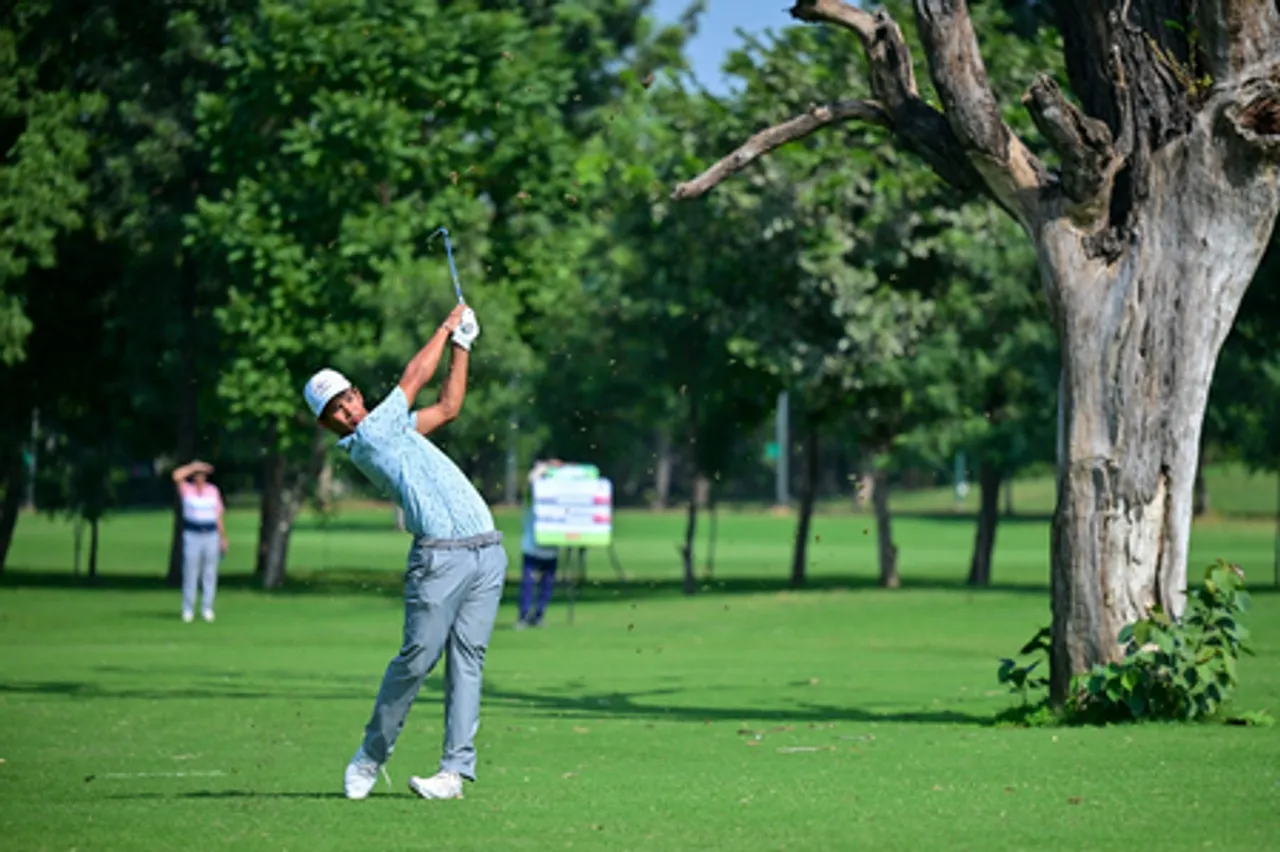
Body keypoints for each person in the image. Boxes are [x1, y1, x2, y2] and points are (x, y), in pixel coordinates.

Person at [303, 304, 505, 802]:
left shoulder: (396, 429)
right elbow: (414, 377)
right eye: (337, 410)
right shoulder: (368, 439)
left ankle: (453, 773)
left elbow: (450, 406)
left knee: (468, 662)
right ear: (331, 425)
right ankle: (371, 755)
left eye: (348, 398)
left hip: (486, 550)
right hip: (439, 559)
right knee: (416, 660)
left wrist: (463, 346)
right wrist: (446, 324)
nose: (349, 410)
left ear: (357, 392)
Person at [171, 460, 227, 623]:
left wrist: (223, 537)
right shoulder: (187, 490)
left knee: (209, 572)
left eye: (202, 476)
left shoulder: (212, 491)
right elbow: (176, 476)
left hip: (210, 533)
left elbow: (218, 516)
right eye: (197, 476)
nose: (200, 479)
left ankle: (207, 608)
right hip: (192, 533)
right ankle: (188, 608)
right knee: (190, 571)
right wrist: (194, 467)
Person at [516, 459, 562, 629]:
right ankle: (524, 616)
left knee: (546, 587)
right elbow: (530, 483)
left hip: (551, 549)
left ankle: (539, 616)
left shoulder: (557, 496)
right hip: (532, 547)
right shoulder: (534, 494)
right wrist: (540, 470)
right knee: (528, 585)